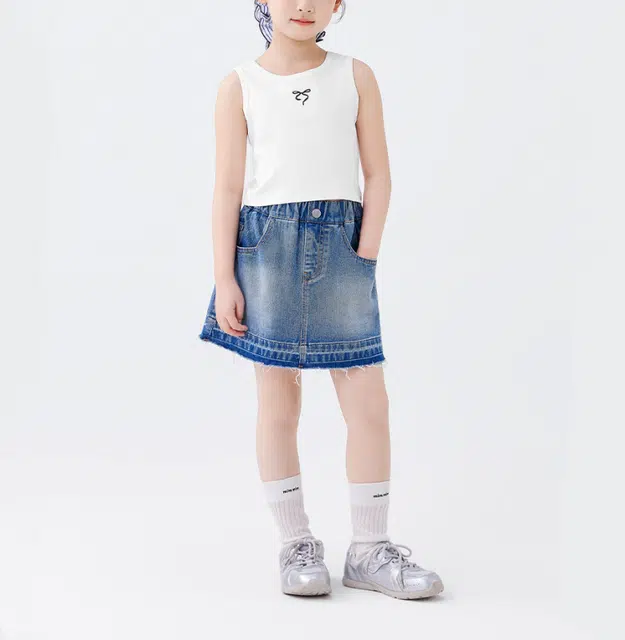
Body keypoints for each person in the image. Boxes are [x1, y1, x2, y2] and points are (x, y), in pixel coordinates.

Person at [198, 0, 444, 600]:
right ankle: (295, 542)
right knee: (278, 403)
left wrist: (365, 252)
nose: (303, 5)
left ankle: (369, 548)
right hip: (267, 249)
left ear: (338, 5)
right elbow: (227, 187)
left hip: (342, 246)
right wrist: (224, 276)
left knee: (368, 402)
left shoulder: (355, 75)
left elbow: (378, 173)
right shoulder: (239, 86)